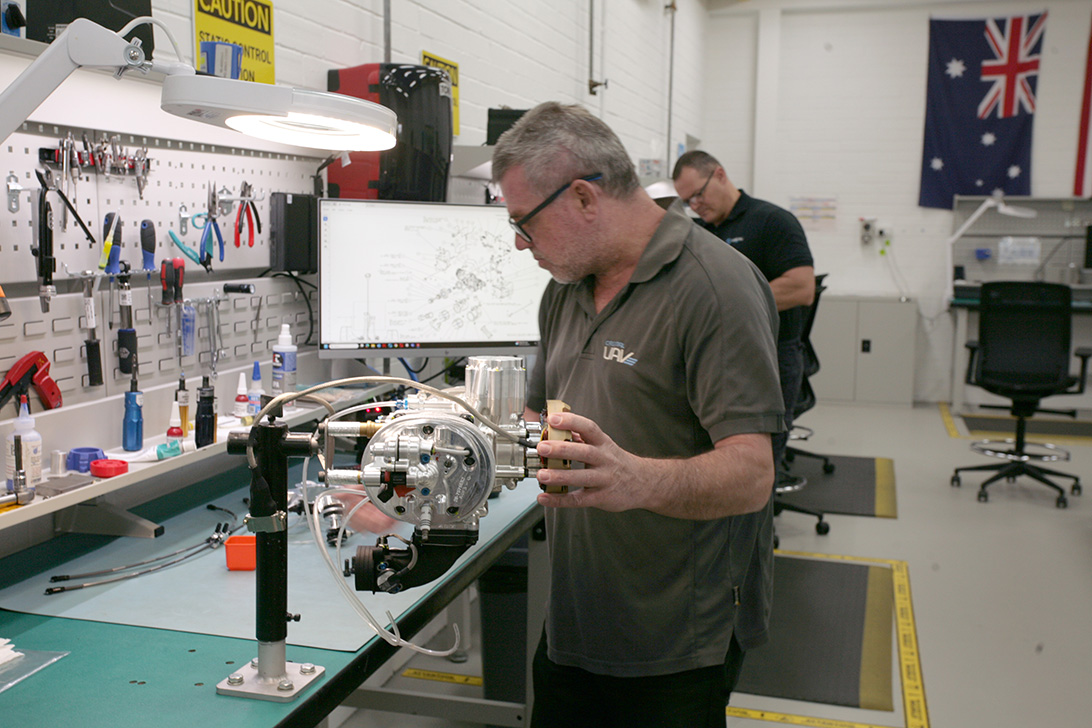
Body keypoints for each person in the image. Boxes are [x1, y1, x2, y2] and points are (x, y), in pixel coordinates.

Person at [492, 102, 785, 728]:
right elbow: (536, 419)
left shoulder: (715, 288)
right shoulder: (566, 289)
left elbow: (753, 474)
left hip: (675, 637)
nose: (519, 243)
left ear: (582, 197)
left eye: (524, 223)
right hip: (575, 618)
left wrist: (636, 479)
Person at [672, 150, 815, 693]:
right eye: (687, 202)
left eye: (699, 194)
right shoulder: (697, 232)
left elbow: (801, 286)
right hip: (714, 367)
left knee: (755, 473)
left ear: (721, 175)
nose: (696, 206)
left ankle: (746, 593)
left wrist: (727, 297)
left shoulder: (772, 222)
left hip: (771, 360)